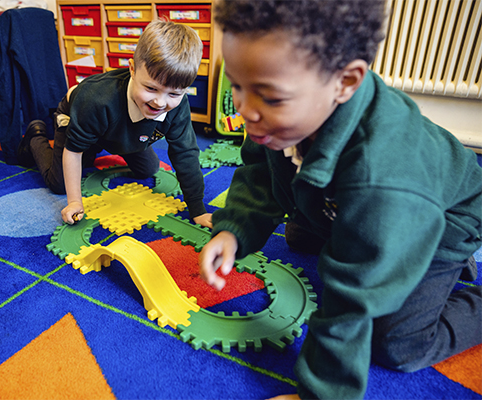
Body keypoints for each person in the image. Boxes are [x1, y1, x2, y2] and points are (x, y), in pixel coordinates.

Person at [198, 1, 482, 399]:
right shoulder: (276, 114)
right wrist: (235, 230)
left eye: (270, 98)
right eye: (238, 86)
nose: (245, 110)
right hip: (355, 195)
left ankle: (444, 264)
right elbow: (261, 171)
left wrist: (321, 393)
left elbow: (353, 296)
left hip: (445, 219)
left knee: (396, 345)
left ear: (345, 82)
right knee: (300, 234)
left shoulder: (382, 177)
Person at [17, 19, 212, 227]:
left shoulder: (177, 106)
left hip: (117, 128)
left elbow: (186, 154)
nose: (160, 102)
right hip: (78, 115)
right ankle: (35, 137)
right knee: (59, 184)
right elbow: (73, 151)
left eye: (173, 94)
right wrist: (75, 202)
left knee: (148, 169)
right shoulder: (96, 100)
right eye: (151, 88)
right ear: (132, 69)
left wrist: (197, 210)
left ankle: (96, 144)